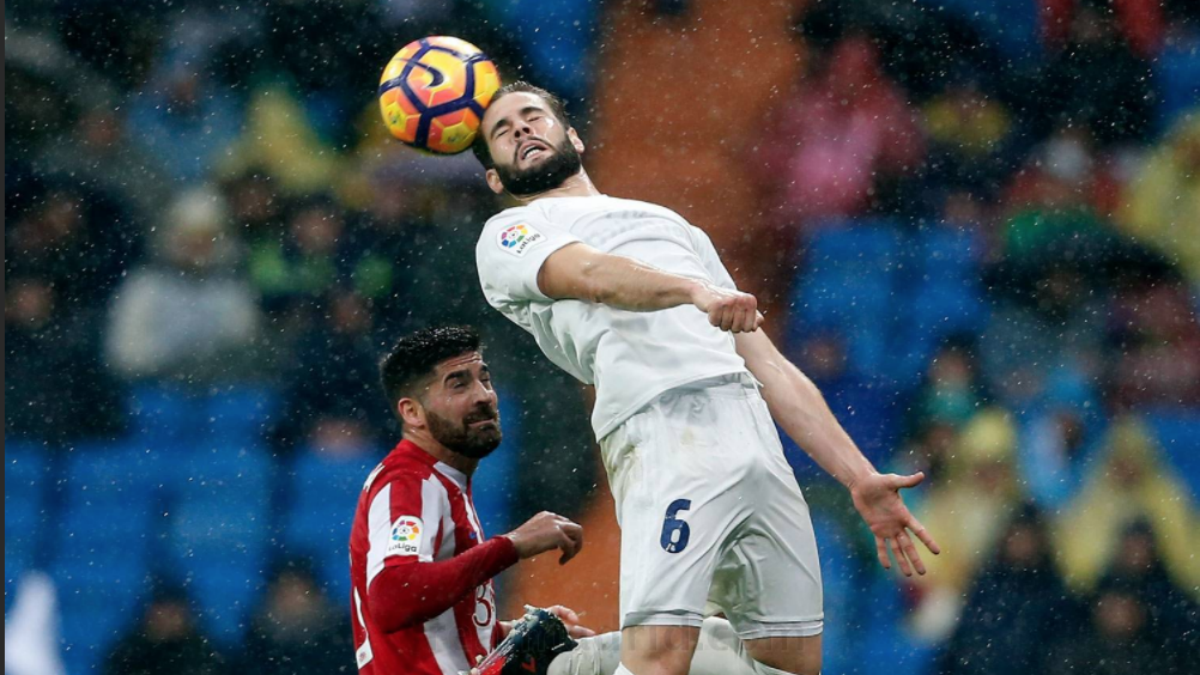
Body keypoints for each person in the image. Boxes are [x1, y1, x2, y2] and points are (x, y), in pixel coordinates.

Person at [470, 81, 940, 675]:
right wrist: (692, 289)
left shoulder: (672, 224)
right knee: (660, 659)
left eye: (533, 116)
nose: (522, 130)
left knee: (786, 665)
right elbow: (592, 275)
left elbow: (767, 364)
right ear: (495, 178)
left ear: (574, 136)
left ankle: (568, 664)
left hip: (751, 431)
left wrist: (859, 477)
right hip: (663, 429)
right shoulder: (510, 236)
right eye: (503, 132)